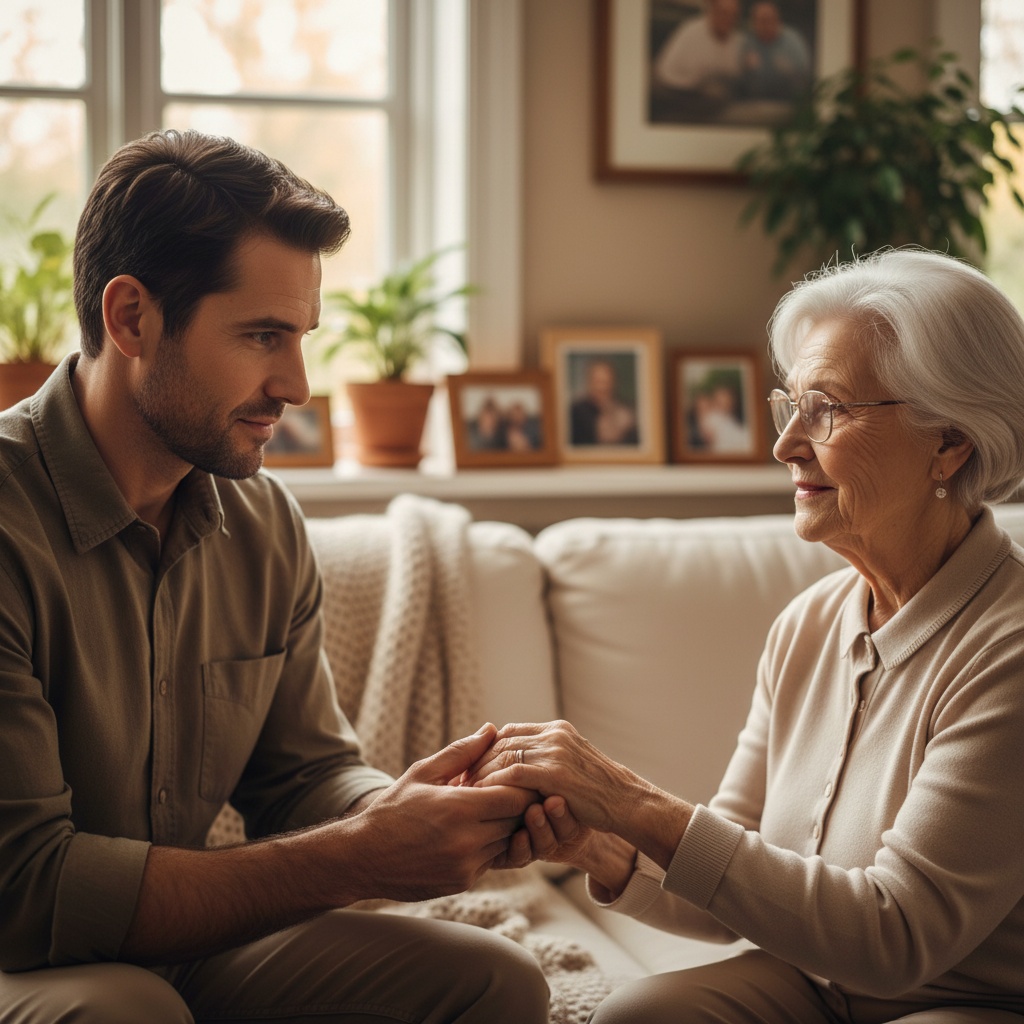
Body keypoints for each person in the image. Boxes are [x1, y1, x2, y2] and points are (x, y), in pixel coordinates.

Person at [0, 129, 549, 1023]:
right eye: (262, 336)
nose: (296, 385)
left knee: (499, 982)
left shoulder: (261, 521)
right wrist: (363, 855)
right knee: (126, 1012)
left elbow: (302, 780)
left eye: (300, 338)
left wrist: (416, 813)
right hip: (23, 951)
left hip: (186, 943)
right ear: (131, 317)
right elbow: (25, 889)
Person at [470, 249, 1024, 1021]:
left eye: (826, 408)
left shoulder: (1011, 648)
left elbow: (897, 938)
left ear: (949, 441)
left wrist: (630, 800)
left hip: (966, 1001)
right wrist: (598, 843)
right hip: (809, 981)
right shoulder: (809, 625)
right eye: (790, 406)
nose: (786, 444)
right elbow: (730, 881)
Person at [653, 0, 743, 114]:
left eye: (733, 15)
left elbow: (737, 77)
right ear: (712, 11)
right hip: (677, 92)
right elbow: (665, 71)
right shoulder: (690, 31)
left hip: (719, 97)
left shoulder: (740, 41)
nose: (728, 19)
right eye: (723, 13)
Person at [739, 1, 812, 102]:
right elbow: (741, 77)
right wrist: (746, 67)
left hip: (788, 96)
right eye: (761, 21)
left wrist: (788, 69)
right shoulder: (749, 42)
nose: (765, 25)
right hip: (756, 98)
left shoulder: (792, 40)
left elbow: (804, 74)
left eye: (769, 20)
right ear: (753, 22)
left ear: (777, 20)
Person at [569, 358, 638, 446]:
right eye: (598, 382)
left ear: (614, 382)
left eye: (606, 382)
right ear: (588, 382)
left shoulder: (626, 409)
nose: (603, 387)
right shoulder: (576, 412)